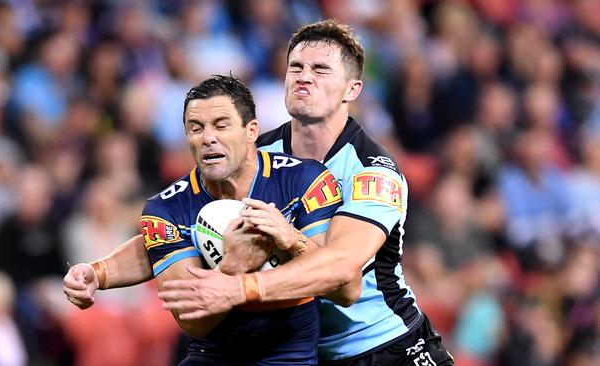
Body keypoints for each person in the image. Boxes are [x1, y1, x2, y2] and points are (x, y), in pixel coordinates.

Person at [64, 20, 454, 365]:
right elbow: (187, 224)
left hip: (383, 346)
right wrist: (101, 272)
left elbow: (341, 269)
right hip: (304, 349)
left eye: (320, 70)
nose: (304, 77)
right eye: (296, 67)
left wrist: (240, 285)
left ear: (352, 89)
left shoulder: (372, 171)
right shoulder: (254, 153)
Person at [65, 74, 343, 365]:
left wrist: (292, 239)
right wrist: (233, 267)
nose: (208, 137)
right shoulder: (167, 209)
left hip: (287, 354)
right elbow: (191, 322)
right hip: (212, 354)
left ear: (251, 131)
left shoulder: (304, 181)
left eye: (221, 125)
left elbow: (341, 284)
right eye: (195, 128)